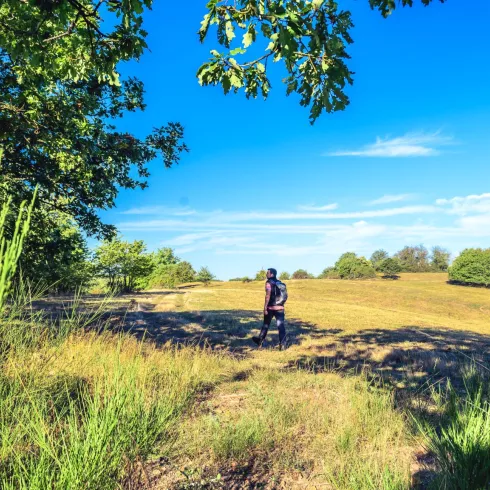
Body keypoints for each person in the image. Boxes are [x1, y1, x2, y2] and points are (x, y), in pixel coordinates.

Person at [252, 268, 287, 349]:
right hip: (280, 308)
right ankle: (283, 345)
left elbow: (267, 295)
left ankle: (260, 340)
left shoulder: (268, 283)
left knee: (266, 324)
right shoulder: (280, 283)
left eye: (268, 273)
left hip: (271, 307)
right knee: (281, 326)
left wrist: (265, 308)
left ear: (272, 274)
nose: (266, 274)